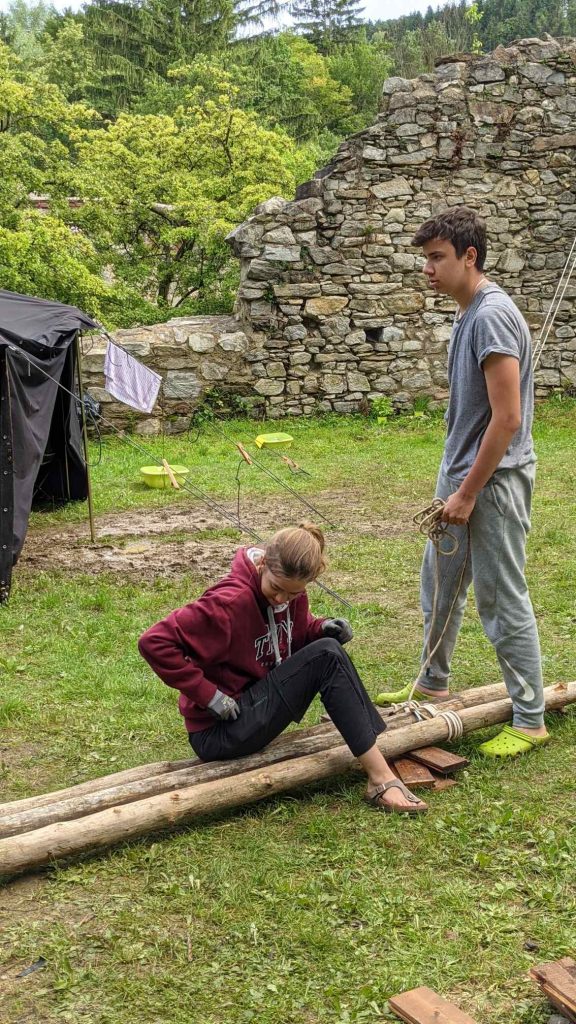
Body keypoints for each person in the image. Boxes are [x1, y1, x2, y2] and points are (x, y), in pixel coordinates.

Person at [378, 206, 548, 758]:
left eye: (437, 258)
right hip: (460, 477)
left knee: (500, 597)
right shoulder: (467, 311)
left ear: (469, 256)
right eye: (425, 258)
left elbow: (508, 418)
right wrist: (455, 484)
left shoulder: (492, 316)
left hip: (492, 485)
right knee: (440, 584)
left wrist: (469, 492)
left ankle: (530, 718)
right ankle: (433, 683)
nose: (427, 269)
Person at [139, 522, 427, 814]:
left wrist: (321, 628)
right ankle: (380, 779)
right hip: (219, 732)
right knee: (327, 655)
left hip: (255, 707)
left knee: (327, 650)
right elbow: (154, 642)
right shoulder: (229, 602)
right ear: (262, 563)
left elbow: (292, 634)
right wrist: (209, 695)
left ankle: (376, 763)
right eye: (276, 588)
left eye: (292, 594)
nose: (281, 599)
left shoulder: (292, 594)